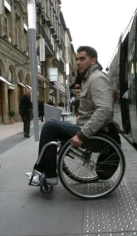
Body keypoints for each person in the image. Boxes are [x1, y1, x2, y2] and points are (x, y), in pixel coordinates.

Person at [26, 46, 115, 185]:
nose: (78, 62)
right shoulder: (88, 78)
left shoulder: (97, 78)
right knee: (52, 125)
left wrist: (81, 135)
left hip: (93, 134)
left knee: (50, 126)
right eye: (77, 59)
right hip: (88, 129)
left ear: (93, 61)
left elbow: (104, 110)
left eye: (82, 59)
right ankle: (44, 171)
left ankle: (47, 174)